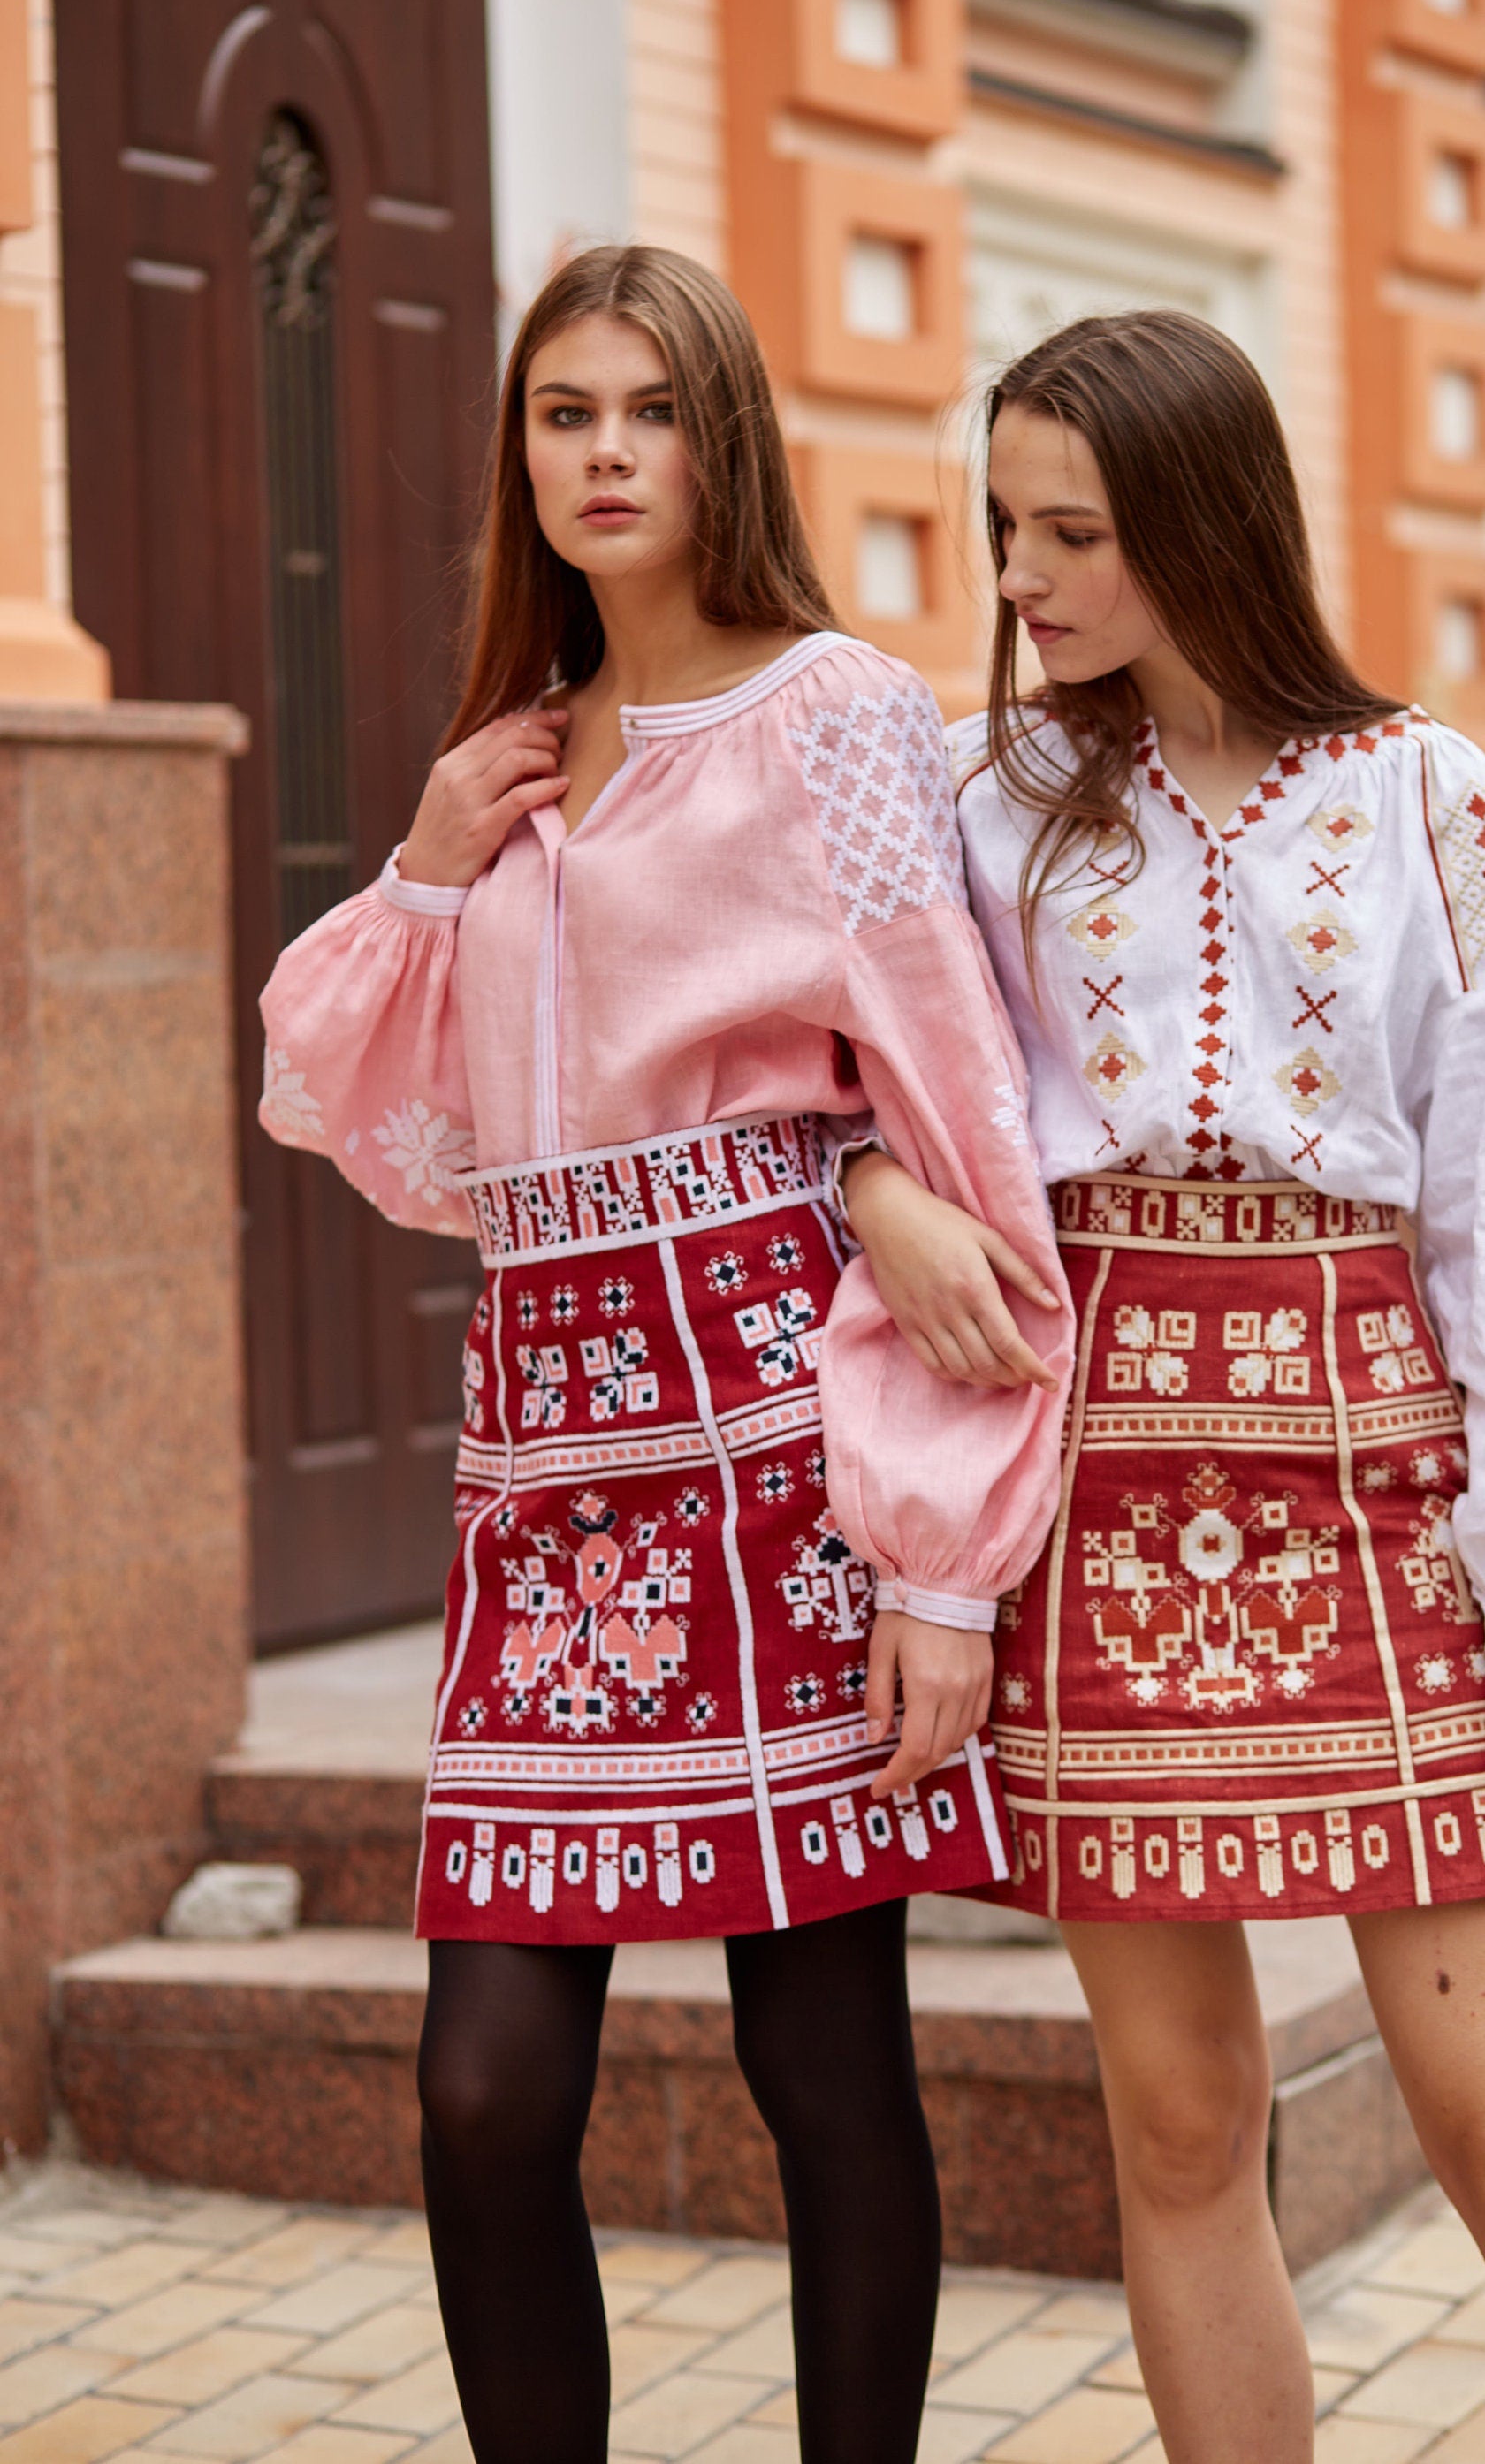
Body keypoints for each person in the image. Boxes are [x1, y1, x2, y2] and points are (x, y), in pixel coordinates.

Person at [840, 309, 1485, 2462]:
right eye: (1003, 528)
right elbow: (842, 1080)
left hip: (1378, 1473)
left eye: (1074, 532)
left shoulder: (1429, 794)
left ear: (1205, 526)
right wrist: (869, 1184)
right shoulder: (981, 788)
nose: (1020, 580)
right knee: (1181, 2123)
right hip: (1100, 1474)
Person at [257, 243, 1070, 2464]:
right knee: (487, 2090)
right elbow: (372, 1116)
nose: (603, 456)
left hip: (783, 1444)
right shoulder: (509, 761)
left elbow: (956, 1116)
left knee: (824, 2066)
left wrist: (940, 1566)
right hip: (547, 1470)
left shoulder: (841, 716)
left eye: (648, 412)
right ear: (516, 454)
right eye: (560, 415)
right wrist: (430, 867)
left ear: (724, 445)